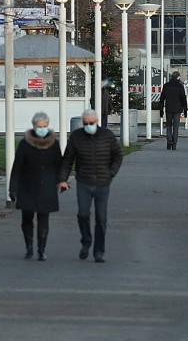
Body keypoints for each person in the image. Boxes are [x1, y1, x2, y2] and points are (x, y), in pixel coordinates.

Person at [57, 109, 123, 263]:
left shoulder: (107, 136)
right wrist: (62, 179)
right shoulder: (76, 137)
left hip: (102, 182)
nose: (88, 126)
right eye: (85, 123)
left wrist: (111, 173)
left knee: (101, 218)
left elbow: (118, 156)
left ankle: (99, 251)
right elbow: (67, 160)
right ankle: (86, 241)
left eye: (91, 123)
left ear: (97, 122)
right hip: (84, 181)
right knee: (82, 214)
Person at [9, 112, 63, 260]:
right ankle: (29, 247)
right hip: (27, 187)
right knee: (27, 219)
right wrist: (12, 188)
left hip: (47, 187)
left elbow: (59, 165)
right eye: (39, 127)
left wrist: (61, 181)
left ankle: (41, 249)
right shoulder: (25, 143)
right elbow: (17, 168)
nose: (42, 129)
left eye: (44, 126)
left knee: (43, 219)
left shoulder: (53, 143)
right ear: (33, 126)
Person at [161, 71, 188, 150]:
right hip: (177, 109)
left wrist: (161, 109)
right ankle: (174, 144)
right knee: (176, 127)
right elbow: (183, 98)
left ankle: (169, 141)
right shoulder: (180, 86)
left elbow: (162, 98)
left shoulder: (166, 85)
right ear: (178, 77)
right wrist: (185, 110)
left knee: (169, 125)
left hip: (169, 108)